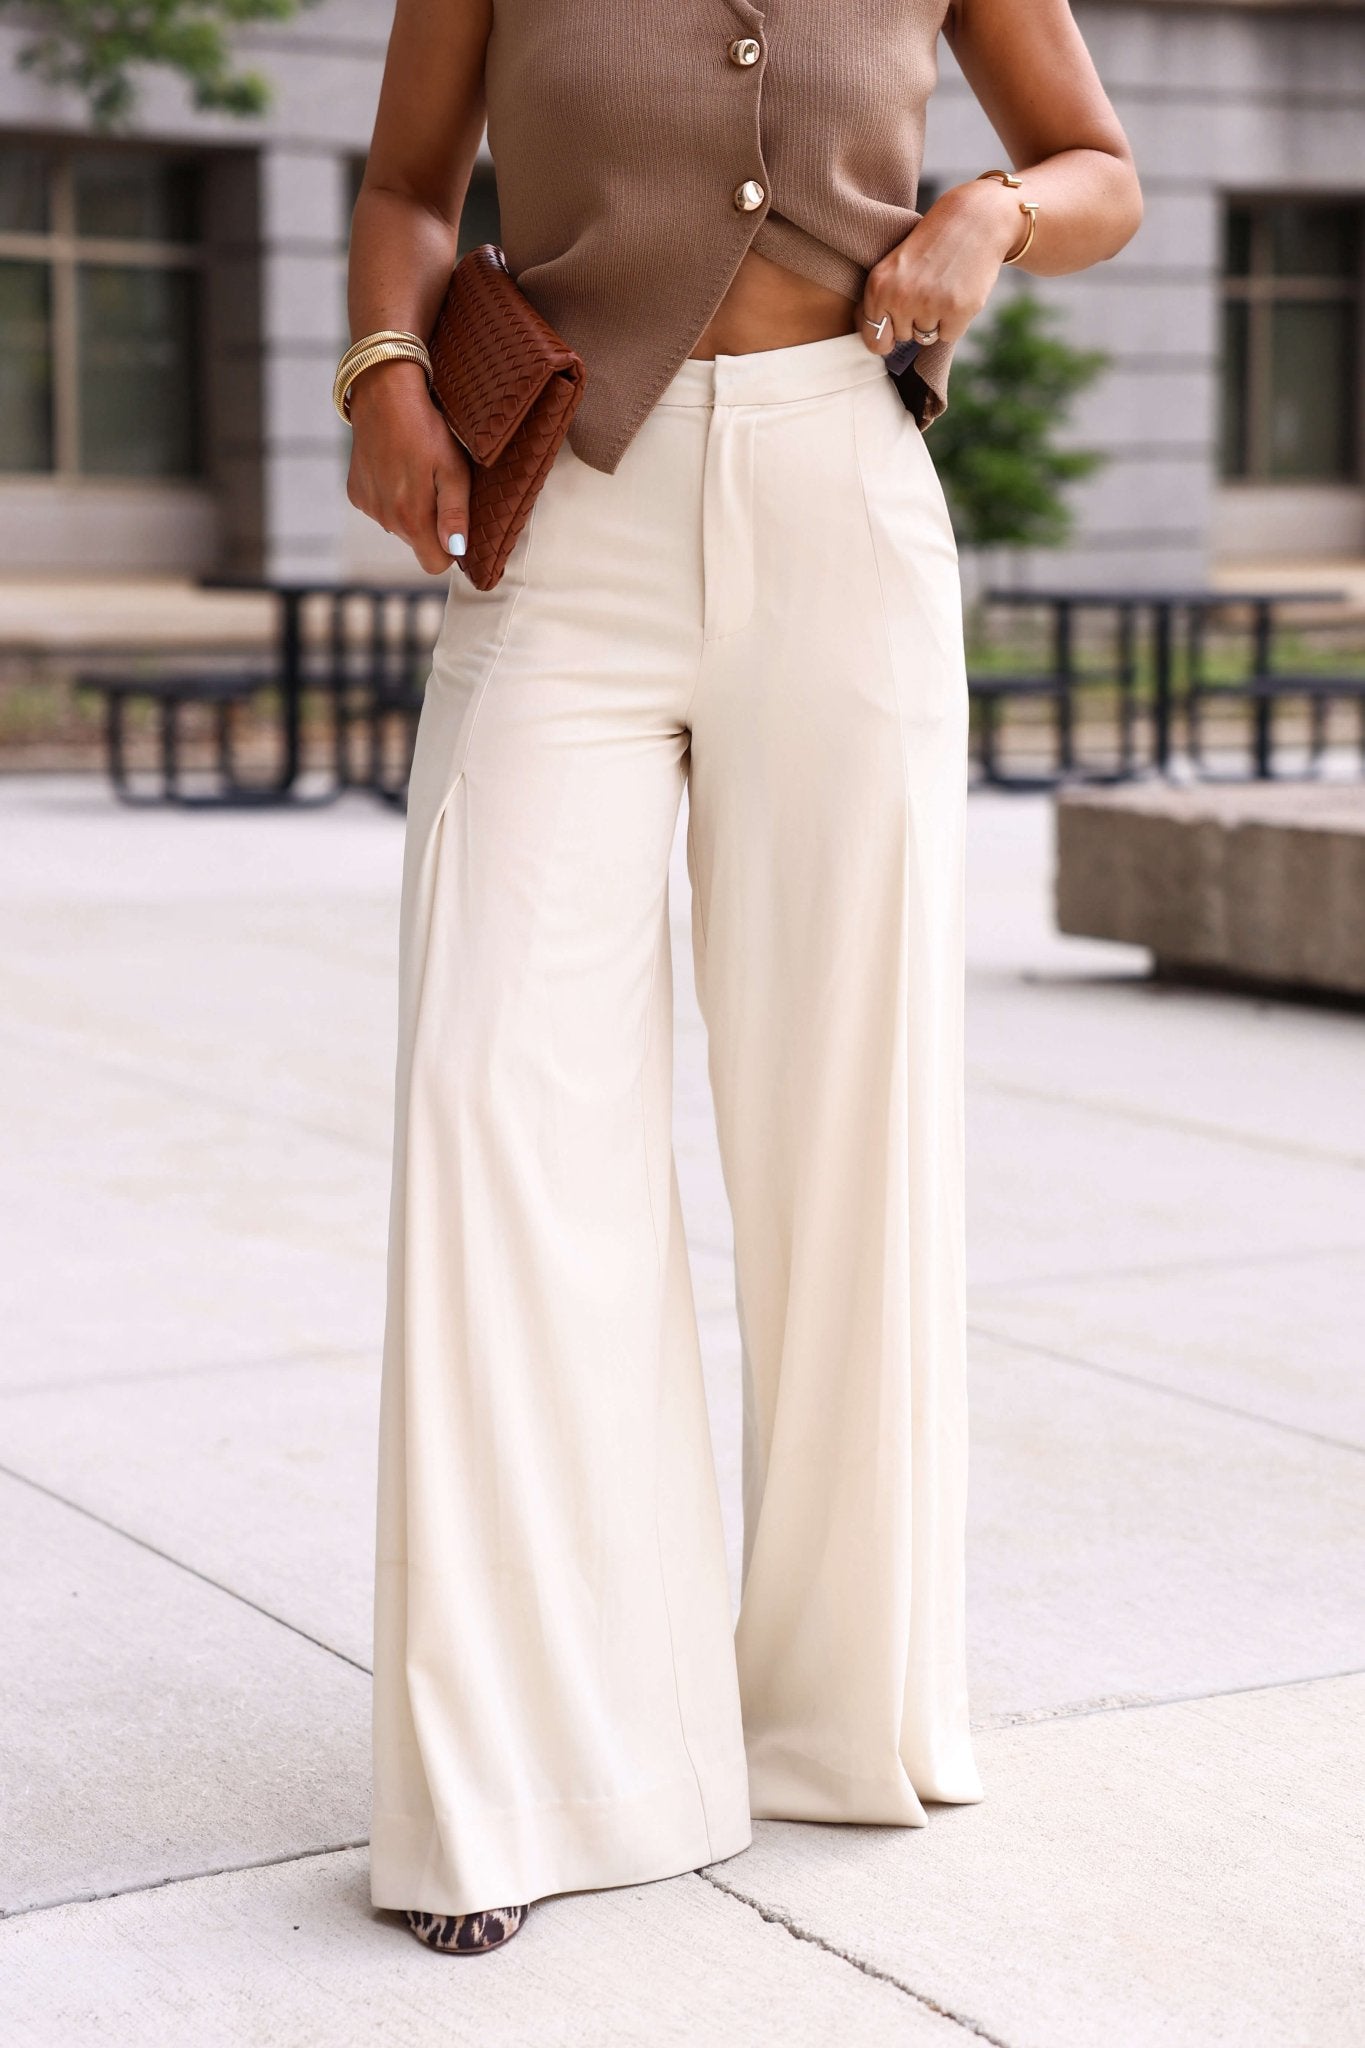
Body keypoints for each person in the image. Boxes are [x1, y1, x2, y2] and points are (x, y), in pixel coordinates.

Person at [341, 0, 1142, 1958]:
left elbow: (1100, 169)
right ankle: (519, 1764)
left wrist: (989, 215)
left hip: (840, 514)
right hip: (562, 520)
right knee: (490, 1105)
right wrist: (379, 366)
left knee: (840, 1125)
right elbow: (402, 179)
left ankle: (823, 1707)